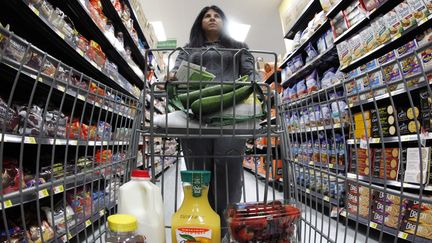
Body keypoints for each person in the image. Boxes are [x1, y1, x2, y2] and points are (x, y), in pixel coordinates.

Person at [168, 5, 257, 237]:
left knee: (228, 171)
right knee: (199, 173)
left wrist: (256, 84)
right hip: (194, 117)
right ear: (200, 22)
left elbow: (251, 74)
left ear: (223, 21)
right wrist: (171, 78)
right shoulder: (188, 50)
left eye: (217, 15)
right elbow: (176, 73)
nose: (212, 18)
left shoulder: (239, 48)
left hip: (231, 117)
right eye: (207, 16)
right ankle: (203, 226)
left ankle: (226, 227)